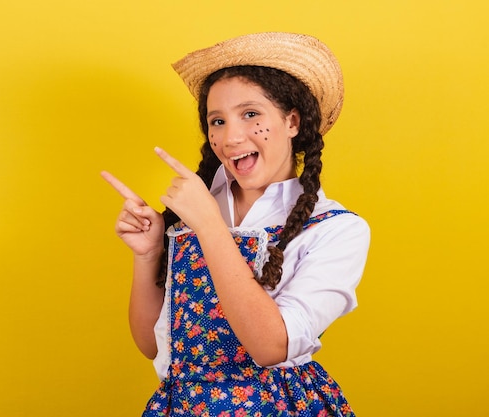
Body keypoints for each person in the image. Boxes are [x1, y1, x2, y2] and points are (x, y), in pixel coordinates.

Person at [101, 32, 370, 417]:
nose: (230, 137)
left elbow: (270, 346)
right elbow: (153, 347)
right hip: (182, 406)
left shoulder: (336, 229)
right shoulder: (191, 216)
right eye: (217, 121)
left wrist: (210, 228)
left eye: (250, 114)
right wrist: (149, 255)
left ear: (292, 121)